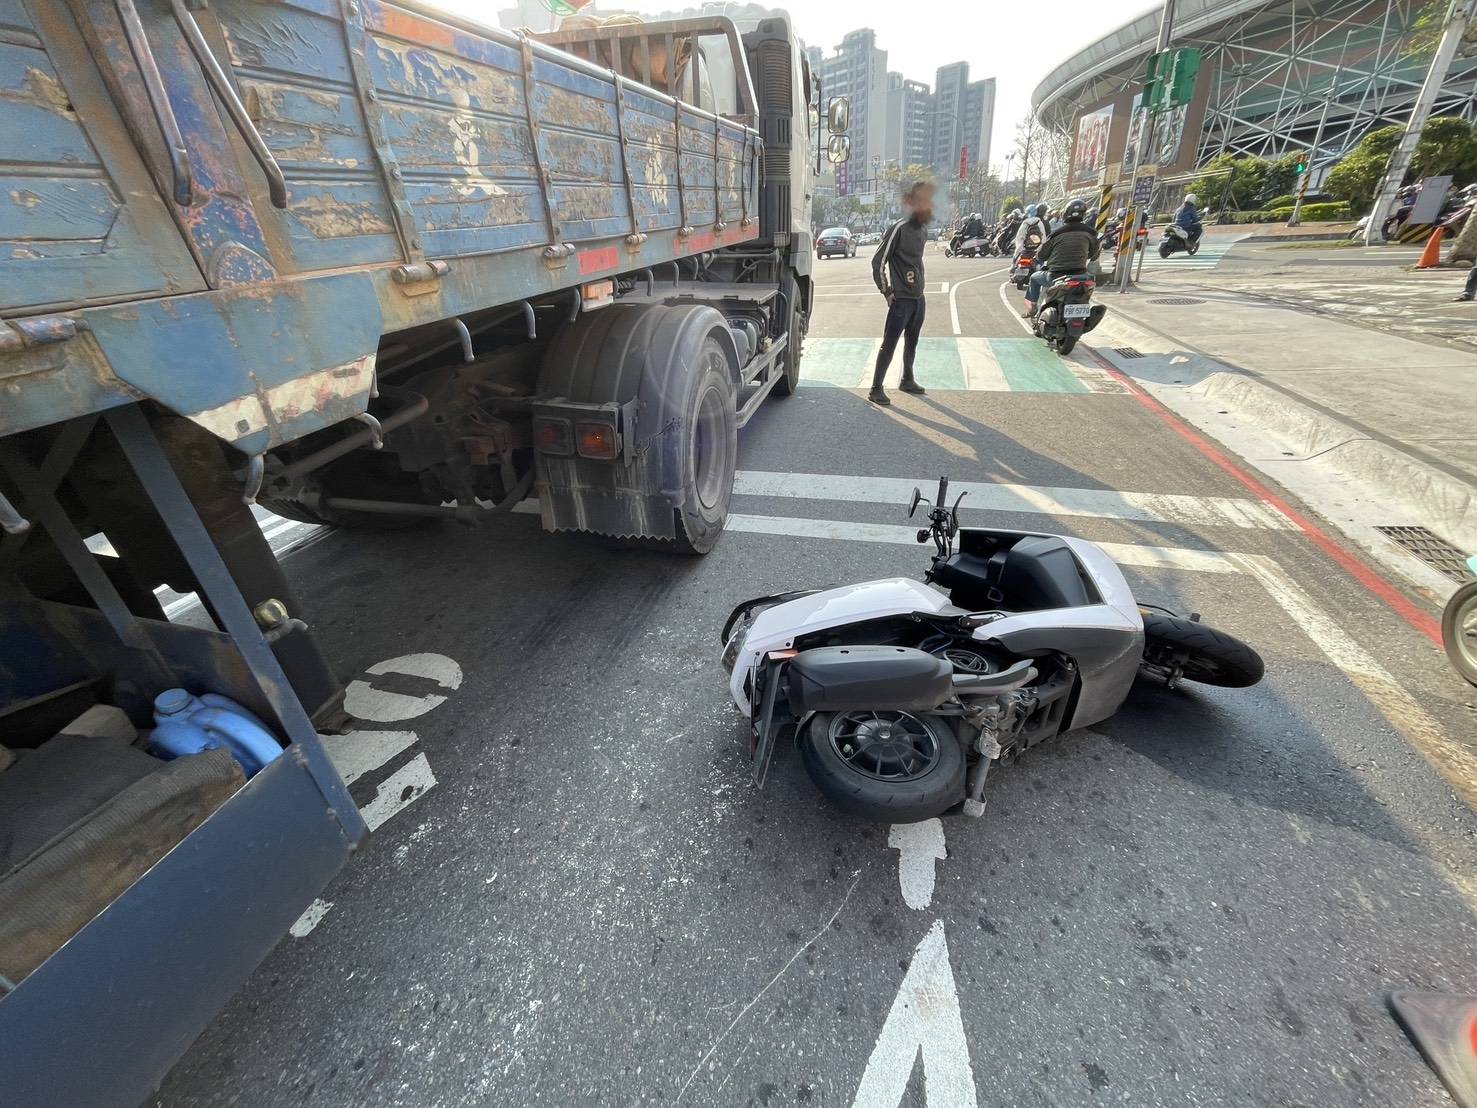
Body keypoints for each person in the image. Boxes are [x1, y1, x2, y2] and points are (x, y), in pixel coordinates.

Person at [868, 179, 936, 405]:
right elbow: (878, 262)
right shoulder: (898, 228)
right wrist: (887, 291)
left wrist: (919, 289)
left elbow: (917, 263)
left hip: (918, 298)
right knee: (890, 343)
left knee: (912, 340)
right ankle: (876, 387)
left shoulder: (923, 230)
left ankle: (907, 378)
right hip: (901, 299)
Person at [1024, 198, 1100, 317]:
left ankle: (1032, 308)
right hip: (1081, 275)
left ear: (1065, 214)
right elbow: (1094, 255)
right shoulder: (1090, 233)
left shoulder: (1057, 233)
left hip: (1055, 275)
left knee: (1034, 277)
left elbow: (1042, 255)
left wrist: (1039, 257)